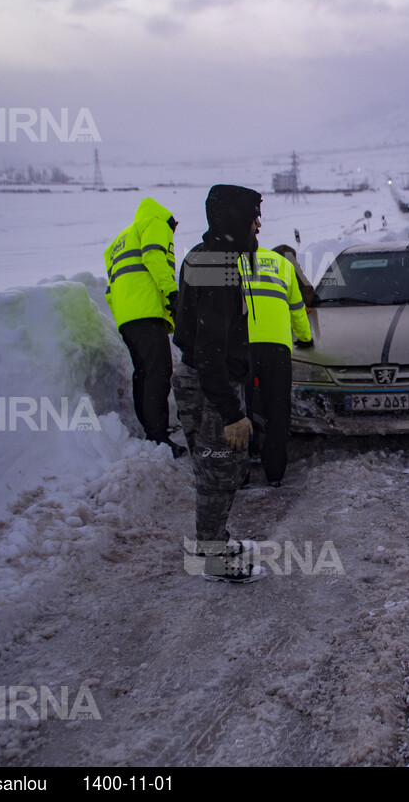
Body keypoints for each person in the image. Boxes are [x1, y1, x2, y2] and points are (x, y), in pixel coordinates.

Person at [172, 184, 266, 582]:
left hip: (204, 380)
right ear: (235, 219)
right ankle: (211, 556)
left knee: (216, 468)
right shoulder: (219, 266)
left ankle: (215, 540)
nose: (258, 225)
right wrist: (231, 413)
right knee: (218, 470)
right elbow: (209, 349)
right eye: (253, 216)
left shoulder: (206, 254)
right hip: (212, 385)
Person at [103, 197, 184, 457]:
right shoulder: (156, 223)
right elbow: (154, 257)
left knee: (144, 373)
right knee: (159, 373)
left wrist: (123, 315)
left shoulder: (119, 241)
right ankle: (158, 437)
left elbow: (109, 290)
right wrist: (172, 295)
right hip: (146, 312)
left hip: (128, 318)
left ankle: (151, 430)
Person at [241, 243, 313, 487]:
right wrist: (305, 338)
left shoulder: (233, 261)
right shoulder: (282, 264)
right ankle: (274, 473)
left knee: (241, 409)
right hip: (277, 348)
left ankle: (241, 471)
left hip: (242, 346)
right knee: (277, 410)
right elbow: (297, 310)